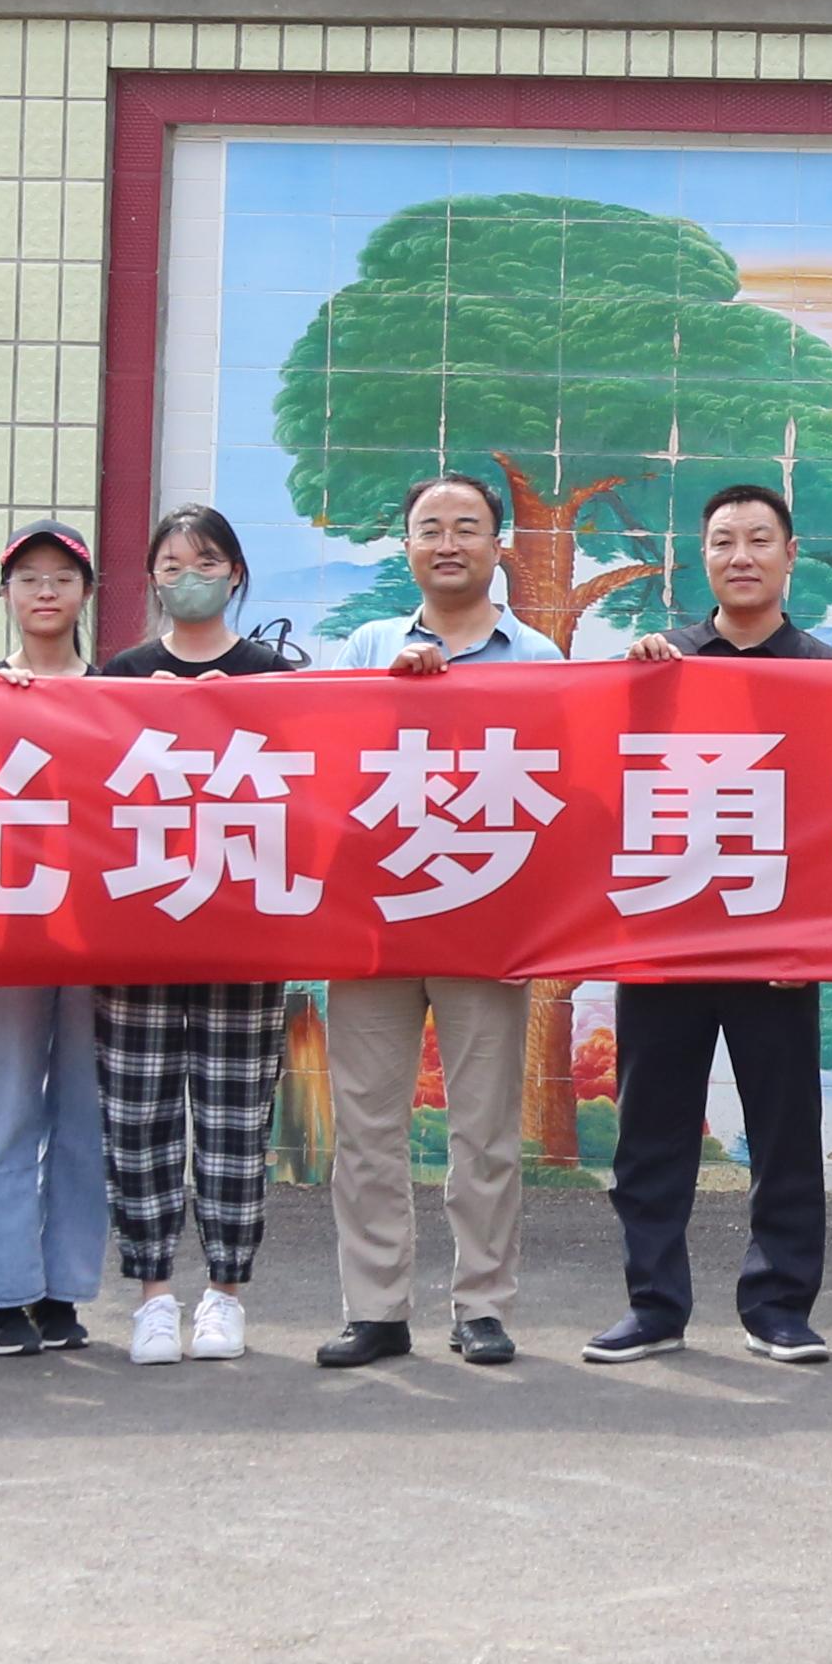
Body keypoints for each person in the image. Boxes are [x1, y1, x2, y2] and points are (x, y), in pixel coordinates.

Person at [589, 483, 832, 1369]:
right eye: (724, 540)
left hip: (777, 938)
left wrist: (813, 936)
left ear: (790, 555)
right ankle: (653, 1305)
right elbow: (609, 780)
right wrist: (632, 683)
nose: (742, 556)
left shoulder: (827, 673)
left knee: (785, 1133)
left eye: (759, 540)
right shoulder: (660, 663)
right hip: (668, 930)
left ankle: (779, 1307)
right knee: (650, 1133)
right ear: (701, 557)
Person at [323, 470, 562, 1368]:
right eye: (431, 527)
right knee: (367, 1127)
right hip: (375, 921)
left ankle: (483, 1306)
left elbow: (566, 780)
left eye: (467, 527)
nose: (448, 542)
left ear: (500, 547)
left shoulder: (538, 658)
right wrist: (389, 693)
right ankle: (376, 1308)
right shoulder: (365, 648)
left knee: (485, 1129)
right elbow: (323, 767)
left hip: (487, 923)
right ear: (408, 548)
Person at [95, 501, 301, 1363]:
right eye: (172, 566)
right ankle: (151, 1296)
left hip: (242, 932)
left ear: (236, 573)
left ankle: (225, 1294)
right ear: (151, 578)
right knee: (136, 1116)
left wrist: (238, 713)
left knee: (233, 1119)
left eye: (206, 562)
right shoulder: (120, 675)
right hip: (138, 930)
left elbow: (308, 794)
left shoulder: (273, 676)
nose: (189, 579)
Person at [0, 520, 112, 1353]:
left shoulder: (124, 693)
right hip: (2, 931)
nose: (45, 591)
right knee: (1, 1101)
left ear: (87, 592)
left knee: (87, 1110)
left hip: (99, 930)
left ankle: (62, 1289)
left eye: (61, 577)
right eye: (28, 578)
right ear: (6, 594)